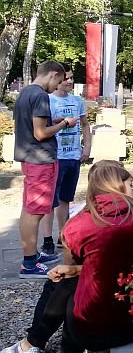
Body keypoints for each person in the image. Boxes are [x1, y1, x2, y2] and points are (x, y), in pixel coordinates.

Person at [0, 161, 133, 353]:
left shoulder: (79, 225)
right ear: (118, 185)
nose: (132, 188)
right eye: (130, 183)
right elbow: (121, 265)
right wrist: (75, 269)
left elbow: (83, 266)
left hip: (92, 328)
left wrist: (73, 269)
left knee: (67, 287)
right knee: (72, 280)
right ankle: (32, 347)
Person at [14, 60, 71, 278]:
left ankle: (32, 256)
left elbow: (31, 125)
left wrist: (53, 121)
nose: (57, 86)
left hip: (29, 158)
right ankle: (29, 264)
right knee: (35, 212)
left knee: (29, 209)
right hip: (40, 160)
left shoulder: (26, 92)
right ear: (53, 74)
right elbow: (40, 133)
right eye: (59, 81)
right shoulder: (40, 96)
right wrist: (64, 123)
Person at [42, 66, 91, 255]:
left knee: (65, 199)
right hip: (55, 156)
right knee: (50, 200)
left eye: (72, 78)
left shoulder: (76, 101)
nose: (70, 81)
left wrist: (87, 147)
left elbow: (85, 125)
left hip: (73, 156)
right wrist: (61, 122)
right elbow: (41, 126)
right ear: (57, 79)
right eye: (66, 78)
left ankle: (63, 236)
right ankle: (47, 239)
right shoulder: (48, 100)